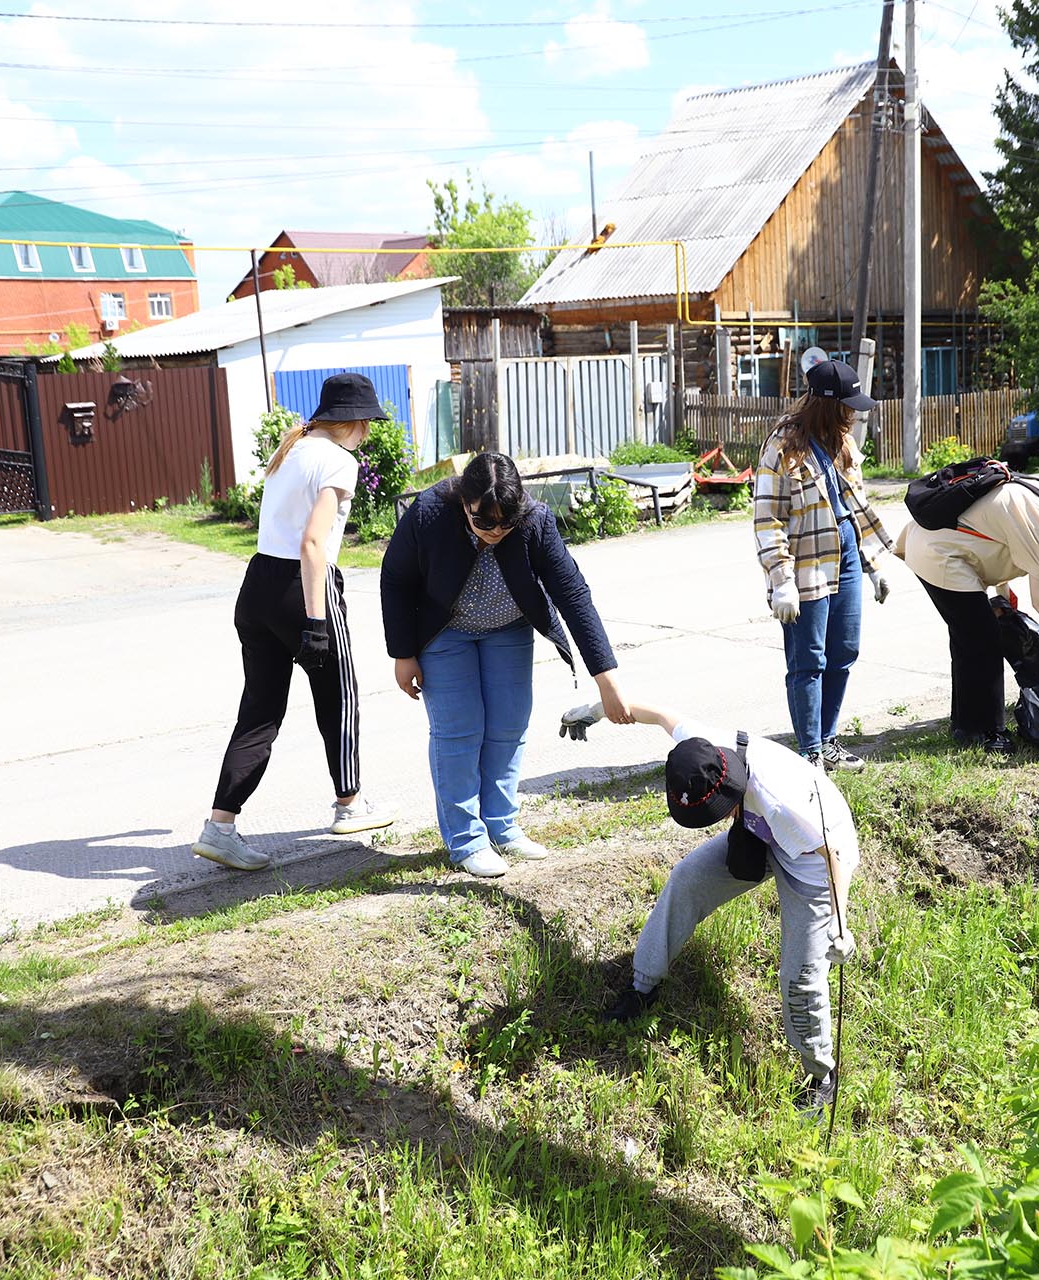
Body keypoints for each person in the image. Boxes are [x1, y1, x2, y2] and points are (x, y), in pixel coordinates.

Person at [566, 695, 856, 1114]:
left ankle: (820, 1073)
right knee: (686, 878)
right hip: (759, 831)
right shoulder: (704, 751)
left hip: (814, 863)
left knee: (799, 976)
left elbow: (836, 853)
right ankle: (642, 987)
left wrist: (841, 923)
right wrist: (595, 710)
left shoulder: (782, 802)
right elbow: (659, 712)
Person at [381, 452, 631, 878]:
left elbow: (572, 593)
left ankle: (501, 825)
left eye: (506, 523)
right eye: (484, 522)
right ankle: (466, 840)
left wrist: (606, 679)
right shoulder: (429, 511)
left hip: (508, 628)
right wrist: (403, 654)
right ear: (465, 503)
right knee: (460, 730)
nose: (496, 531)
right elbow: (396, 577)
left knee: (508, 726)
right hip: (444, 632)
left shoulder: (534, 519)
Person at [194, 371, 396, 871]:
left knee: (259, 712)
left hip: (257, 584)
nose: (368, 432)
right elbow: (312, 544)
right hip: (302, 586)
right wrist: (316, 621)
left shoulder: (294, 450)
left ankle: (220, 827)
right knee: (340, 695)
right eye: (368, 423)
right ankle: (349, 805)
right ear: (354, 422)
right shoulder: (338, 460)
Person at [895, 473, 1039, 754]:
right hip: (940, 554)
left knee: (970, 637)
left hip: (933, 543)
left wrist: (1003, 589)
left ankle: (965, 724)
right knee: (984, 640)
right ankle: (987, 731)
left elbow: (997, 528)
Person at [752, 359, 894, 772]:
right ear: (828, 405)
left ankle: (828, 742)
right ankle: (810, 752)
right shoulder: (782, 448)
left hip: (847, 549)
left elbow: (856, 505)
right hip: (806, 562)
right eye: (848, 406)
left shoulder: (843, 444)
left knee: (844, 650)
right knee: (808, 659)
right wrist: (781, 579)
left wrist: (873, 563)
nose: (853, 413)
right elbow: (768, 519)